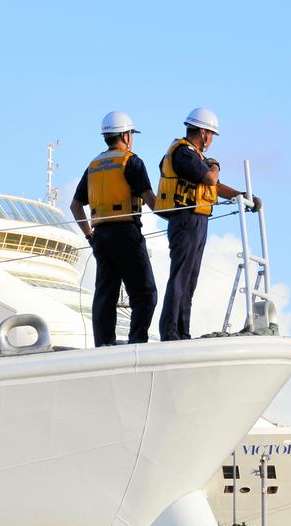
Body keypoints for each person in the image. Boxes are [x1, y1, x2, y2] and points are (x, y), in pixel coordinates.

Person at [155, 107, 261, 341]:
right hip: (185, 220)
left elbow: (214, 186)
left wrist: (241, 196)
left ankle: (183, 331)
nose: (211, 140)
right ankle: (171, 332)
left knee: (190, 280)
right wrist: (216, 165)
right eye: (211, 135)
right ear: (203, 132)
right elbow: (211, 178)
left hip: (198, 220)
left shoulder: (196, 157)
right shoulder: (184, 153)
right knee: (181, 277)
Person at [69, 111, 157, 346]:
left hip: (101, 237)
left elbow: (75, 206)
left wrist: (90, 236)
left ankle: (104, 345)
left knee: (105, 295)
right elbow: (151, 201)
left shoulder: (94, 166)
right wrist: (177, 213)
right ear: (126, 136)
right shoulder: (131, 161)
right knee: (144, 293)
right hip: (127, 233)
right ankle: (137, 341)